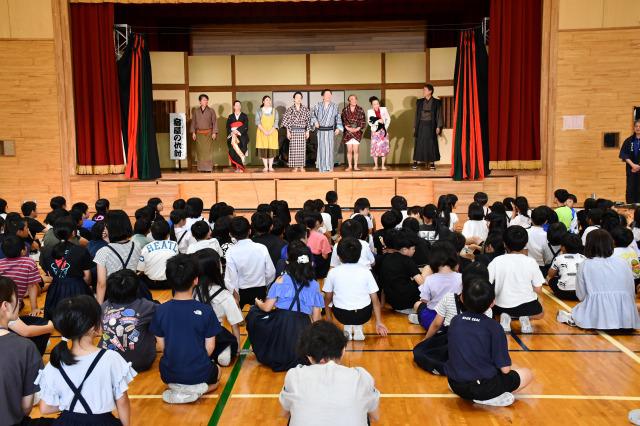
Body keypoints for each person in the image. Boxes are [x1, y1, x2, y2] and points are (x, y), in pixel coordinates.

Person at [36, 295, 135, 424]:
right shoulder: (111, 358)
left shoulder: (54, 363)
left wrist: (71, 405)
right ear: (93, 327)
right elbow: (122, 402)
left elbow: (45, 408)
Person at [445, 279, 533, 407]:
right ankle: (487, 398)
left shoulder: (455, 320)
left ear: (462, 298)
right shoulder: (494, 327)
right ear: (492, 303)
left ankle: (473, 394)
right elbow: (505, 369)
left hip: (455, 383)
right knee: (527, 374)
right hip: (482, 387)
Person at [279, 320, 380, 426]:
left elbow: (284, 413)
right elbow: (375, 416)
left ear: (308, 356)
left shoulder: (294, 375)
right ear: (343, 351)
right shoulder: (361, 376)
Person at [150, 254, 221, 404]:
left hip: (169, 374)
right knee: (218, 374)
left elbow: (162, 347)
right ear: (196, 280)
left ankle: (179, 389)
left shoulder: (160, 310)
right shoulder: (206, 311)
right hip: (200, 372)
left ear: (169, 280)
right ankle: (197, 390)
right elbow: (210, 348)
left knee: (174, 375)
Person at [247, 241, 324, 371]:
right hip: (303, 325)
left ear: (288, 262)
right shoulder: (314, 285)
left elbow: (267, 308)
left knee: (254, 314)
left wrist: (257, 302)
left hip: (281, 324)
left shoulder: (281, 279)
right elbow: (316, 319)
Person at [413, 262, 492, 375]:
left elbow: (436, 324)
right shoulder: (487, 305)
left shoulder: (450, 297)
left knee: (420, 351)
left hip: (452, 343)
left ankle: (444, 368)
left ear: (462, 280)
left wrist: (426, 340)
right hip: (475, 347)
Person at [557, 229, 640, 329]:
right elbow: (631, 291)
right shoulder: (623, 262)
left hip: (598, 317)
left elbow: (581, 295)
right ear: (611, 243)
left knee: (570, 313)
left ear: (588, 245)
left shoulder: (585, 264)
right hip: (626, 316)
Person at [324, 238, 388, 341]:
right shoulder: (366, 272)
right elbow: (375, 300)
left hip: (341, 315)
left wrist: (329, 319)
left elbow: (327, 298)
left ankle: (347, 329)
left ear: (338, 256)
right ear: (359, 255)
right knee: (368, 299)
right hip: (363, 315)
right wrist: (378, 322)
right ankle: (358, 329)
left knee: (331, 298)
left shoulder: (333, 272)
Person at [0, 277, 44, 426]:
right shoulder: (25, 348)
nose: (19, 302)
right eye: (16, 298)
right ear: (5, 306)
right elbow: (26, 407)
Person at [489, 226, 545, 334]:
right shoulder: (531, 261)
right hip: (527, 306)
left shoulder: (497, 260)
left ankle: (505, 317)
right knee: (541, 313)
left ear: (504, 244)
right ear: (525, 244)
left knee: (495, 312)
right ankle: (524, 318)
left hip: (500, 306)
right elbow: (538, 289)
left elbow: (487, 283)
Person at [193, 249, 243, 366]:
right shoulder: (225, 295)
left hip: (195, 334)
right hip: (217, 336)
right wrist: (237, 348)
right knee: (225, 355)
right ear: (216, 269)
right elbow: (234, 324)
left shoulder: (191, 291)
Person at [101, 269, 157, 372]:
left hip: (110, 363)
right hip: (140, 362)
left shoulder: (103, 307)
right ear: (137, 289)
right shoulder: (147, 306)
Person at [39, 217, 94, 320]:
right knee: (81, 319)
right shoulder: (81, 251)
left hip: (55, 291)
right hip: (78, 290)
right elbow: (87, 278)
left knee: (58, 320)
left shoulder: (46, 252)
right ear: (73, 232)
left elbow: (49, 273)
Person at [94, 211, 145, 304]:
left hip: (114, 295)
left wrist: (99, 306)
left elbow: (101, 283)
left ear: (110, 228)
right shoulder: (136, 245)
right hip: (133, 291)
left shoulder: (103, 252)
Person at [224, 216, 276, 308]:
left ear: (230, 234)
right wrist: (265, 285)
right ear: (250, 231)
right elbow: (271, 272)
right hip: (260, 290)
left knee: (244, 315)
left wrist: (236, 297)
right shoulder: (261, 248)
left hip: (241, 292)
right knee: (260, 314)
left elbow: (231, 279)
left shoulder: (231, 251)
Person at [408, 241, 461, 329]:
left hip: (432, 320)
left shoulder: (430, 279)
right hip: (454, 321)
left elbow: (425, 300)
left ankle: (420, 319)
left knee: (417, 304)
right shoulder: (461, 278)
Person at [379, 230, 427, 313]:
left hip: (393, 302)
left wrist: (382, 305)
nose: (414, 251)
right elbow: (421, 283)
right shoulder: (407, 260)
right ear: (404, 249)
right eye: (413, 249)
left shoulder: (386, 258)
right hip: (408, 302)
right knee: (427, 269)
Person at [0, 235, 42, 314]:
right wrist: (34, 308)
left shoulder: (1, 263)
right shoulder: (29, 263)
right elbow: (32, 286)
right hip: (12, 308)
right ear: (23, 251)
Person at [137, 221, 178, 290]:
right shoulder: (175, 245)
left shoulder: (146, 248)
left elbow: (141, 269)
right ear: (168, 234)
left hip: (151, 284)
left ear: (152, 234)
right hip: (170, 283)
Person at [311, 89, 343, 172]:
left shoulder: (334, 106)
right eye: (326, 94)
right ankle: (322, 167)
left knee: (329, 149)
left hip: (330, 130)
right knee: (321, 149)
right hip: (321, 130)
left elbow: (338, 117)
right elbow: (313, 115)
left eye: (330, 94)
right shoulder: (317, 105)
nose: (328, 96)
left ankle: (329, 167)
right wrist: (315, 122)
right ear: (323, 96)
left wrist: (338, 128)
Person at [413, 83, 443, 170]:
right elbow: (416, 114)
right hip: (421, 124)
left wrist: (438, 126)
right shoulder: (419, 101)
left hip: (431, 125)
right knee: (419, 143)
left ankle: (432, 162)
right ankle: (415, 161)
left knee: (431, 143)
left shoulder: (437, 102)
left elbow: (439, 115)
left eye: (425, 90)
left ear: (430, 91)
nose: (423, 91)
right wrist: (415, 126)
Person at [546, 233, 585, 300]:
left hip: (563, 293)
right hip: (582, 294)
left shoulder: (559, 258)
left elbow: (550, 274)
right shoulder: (584, 258)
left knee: (549, 278)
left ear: (563, 247)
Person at [281, 92, 312, 172]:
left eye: (300, 97)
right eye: (297, 97)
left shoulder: (305, 109)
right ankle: (295, 167)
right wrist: (288, 132)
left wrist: (307, 131)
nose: (298, 99)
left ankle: (301, 166)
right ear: (294, 99)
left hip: (302, 131)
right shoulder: (290, 109)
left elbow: (309, 121)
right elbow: (286, 121)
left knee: (302, 150)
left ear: (301, 99)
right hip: (293, 131)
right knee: (294, 150)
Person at [190, 94, 218, 172]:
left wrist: (214, 132)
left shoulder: (211, 110)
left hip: (208, 134)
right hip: (199, 134)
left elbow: (214, 122)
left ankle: (208, 168)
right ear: (200, 101)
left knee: (208, 152)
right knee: (200, 152)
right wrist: (193, 132)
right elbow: (193, 122)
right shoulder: (196, 111)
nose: (205, 101)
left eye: (206, 100)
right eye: (204, 100)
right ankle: (200, 168)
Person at [340, 94, 366, 171]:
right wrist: (348, 128)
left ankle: (355, 166)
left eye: (355, 99)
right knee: (349, 150)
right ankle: (350, 166)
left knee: (356, 150)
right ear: (349, 101)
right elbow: (343, 120)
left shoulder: (360, 109)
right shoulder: (345, 110)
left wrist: (357, 128)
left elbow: (363, 120)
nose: (354, 100)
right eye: (352, 99)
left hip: (357, 131)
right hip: (348, 132)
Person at [255, 95, 280, 172]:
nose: (268, 101)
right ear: (263, 101)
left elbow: (276, 121)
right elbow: (257, 122)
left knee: (271, 149)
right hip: (262, 132)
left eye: (269, 100)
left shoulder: (275, 111)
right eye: (266, 100)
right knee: (264, 149)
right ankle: (266, 166)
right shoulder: (259, 111)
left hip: (272, 132)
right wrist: (264, 131)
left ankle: (270, 166)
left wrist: (271, 131)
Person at [305, 212, 332, 279]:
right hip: (318, 266)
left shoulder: (305, 234)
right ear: (317, 222)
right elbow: (325, 256)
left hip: (307, 261)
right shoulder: (322, 237)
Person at [367, 96, 391, 170]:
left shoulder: (384, 109)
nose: (376, 105)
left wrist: (385, 127)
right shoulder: (370, 111)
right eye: (374, 104)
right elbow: (370, 122)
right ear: (372, 105)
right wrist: (378, 121)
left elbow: (388, 119)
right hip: (375, 131)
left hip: (383, 131)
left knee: (383, 147)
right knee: (375, 148)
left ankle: (383, 165)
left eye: (377, 103)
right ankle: (376, 165)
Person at [619, 119, 640, 203]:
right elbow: (624, 154)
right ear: (634, 128)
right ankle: (631, 208)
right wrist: (633, 165)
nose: (638, 128)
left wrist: (638, 166)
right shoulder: (629, 140)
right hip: (631, 170)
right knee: (631, 190)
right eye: (636, 126)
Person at [226, 100, 249, 172]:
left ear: (240, 106)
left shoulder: (244, 116)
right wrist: (232, 132)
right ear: (234, 107)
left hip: (242, 136)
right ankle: (237, 167)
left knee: (241, 149)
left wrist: (237, 131)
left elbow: (246, 125)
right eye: (236, 105)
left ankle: (241, 167)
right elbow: (228, 127)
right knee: (233, 150)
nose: (238, 106)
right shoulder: (230, 116)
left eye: (239, 105)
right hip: (232, 135)